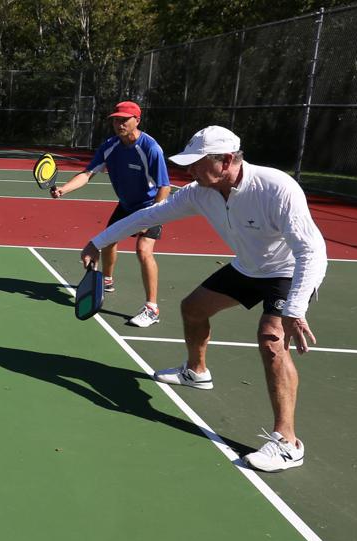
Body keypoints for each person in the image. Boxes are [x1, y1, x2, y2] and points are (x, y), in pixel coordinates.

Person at [79, 126, 327, 472]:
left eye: (197, 163)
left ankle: (287, 442)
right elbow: (149, 215)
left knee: (271, 341)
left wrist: (295, 309)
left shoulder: (276, 188)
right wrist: (99, 240)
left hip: (287, 272)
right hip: (248, 267)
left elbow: (311, 252)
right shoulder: (200, 192)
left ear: (226, 161)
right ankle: (196, 372)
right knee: (192, 309)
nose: (189, 170)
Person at [53, 101, 171, 328]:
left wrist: (154, 216)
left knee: (143, 250)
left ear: (137, 120)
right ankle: (107, 280)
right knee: (107, 241)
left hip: (150, 206)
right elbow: (88, 173)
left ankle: (152, 308)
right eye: (116, 120)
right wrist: (64, 189)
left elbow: (164, 186)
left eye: (124, 120)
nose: (119, 124)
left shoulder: (150, 148)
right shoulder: (110, 146)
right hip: (126, 205)